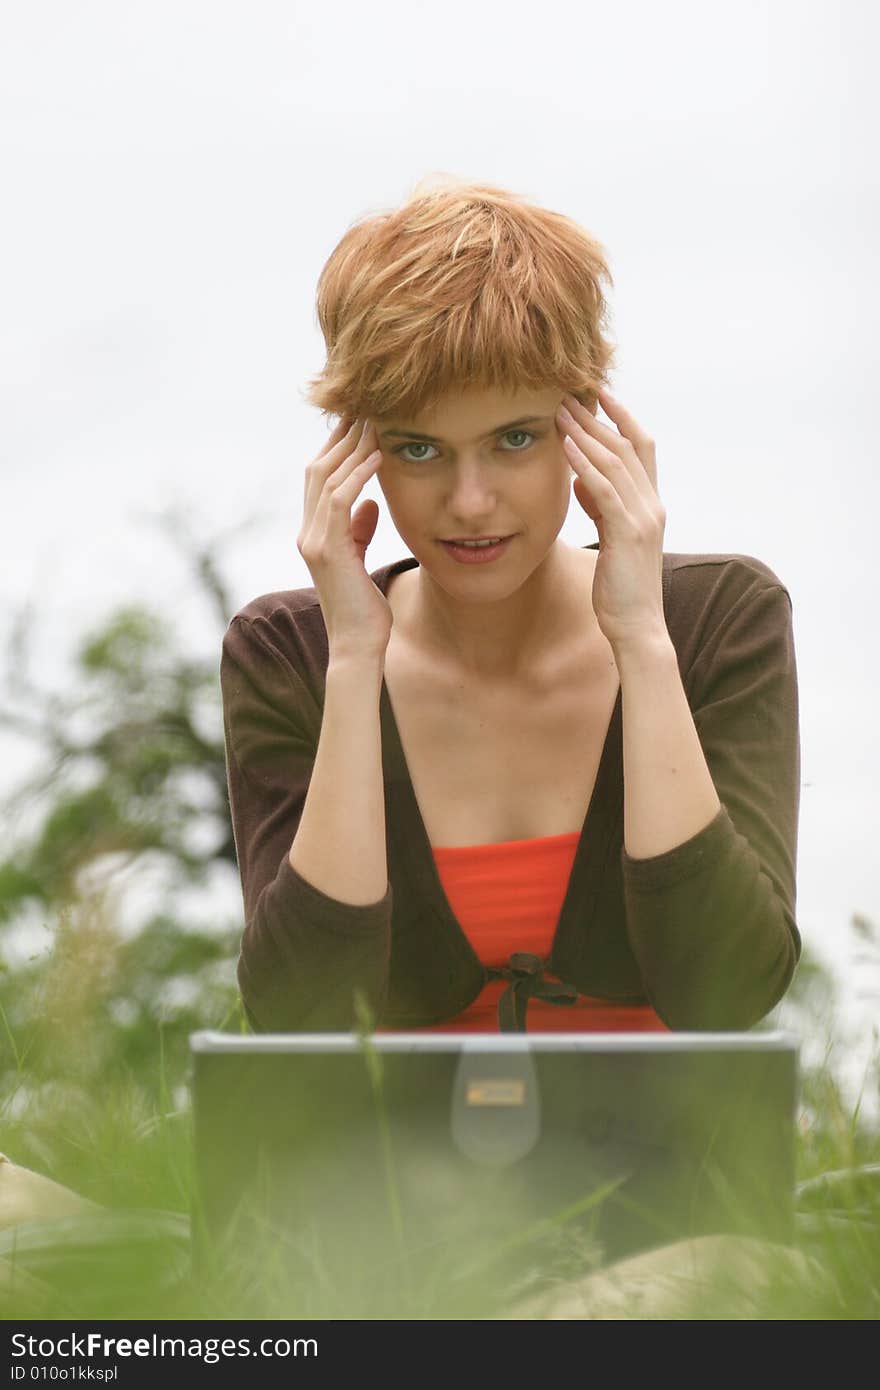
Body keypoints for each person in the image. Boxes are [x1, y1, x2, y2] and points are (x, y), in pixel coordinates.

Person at [219, 175, 801, 1039]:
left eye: (515, 439)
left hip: (670, 1166)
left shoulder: (718, 619)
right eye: (420, 449)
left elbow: (729, 989)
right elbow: (302, 1024)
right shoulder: (290, 654)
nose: (471, 500)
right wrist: (352, 666)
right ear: (356, 453)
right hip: (374, 1173)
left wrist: (643, 641)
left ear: (589, 425)